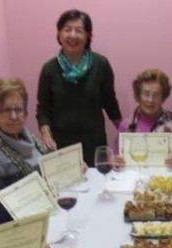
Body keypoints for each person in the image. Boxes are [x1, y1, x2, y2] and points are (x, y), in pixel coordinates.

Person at [37, 9, 122, 166]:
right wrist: (46, 135)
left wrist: (126, 133)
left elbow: (110, 103)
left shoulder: (101, 64)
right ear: (59, 34)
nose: (73, 35)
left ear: (88, 35)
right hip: (62, 145)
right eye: (67, 29)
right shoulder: (49, 69)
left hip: (94, 143)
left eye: (79, 30)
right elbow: (43, 109)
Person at [0, 78, 51, 189]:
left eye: (18, 109)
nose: (13, 117)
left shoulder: (28, 137)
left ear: (25, 113)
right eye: (6, 110)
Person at [115, 68, 172, 169]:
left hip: (164, 182)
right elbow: (115, 163)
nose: (150, 100)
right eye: (146, 94)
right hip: (133, 181)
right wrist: (117, 164)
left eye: (156, 95)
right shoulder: (126, 125)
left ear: (163, 97)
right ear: (138, 96)